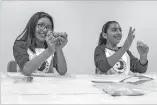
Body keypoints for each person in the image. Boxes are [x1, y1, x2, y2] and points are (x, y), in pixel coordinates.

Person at [13, 12, 68, 76]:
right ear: (32, 26)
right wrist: (49, 50)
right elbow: (26, 71)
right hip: (25, 83)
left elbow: (62, 71)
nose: (45, 30)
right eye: (41, 25)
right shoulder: (20, 44)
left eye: (48, 27)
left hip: (44, 84)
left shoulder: (50, 44)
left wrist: (58, 48)